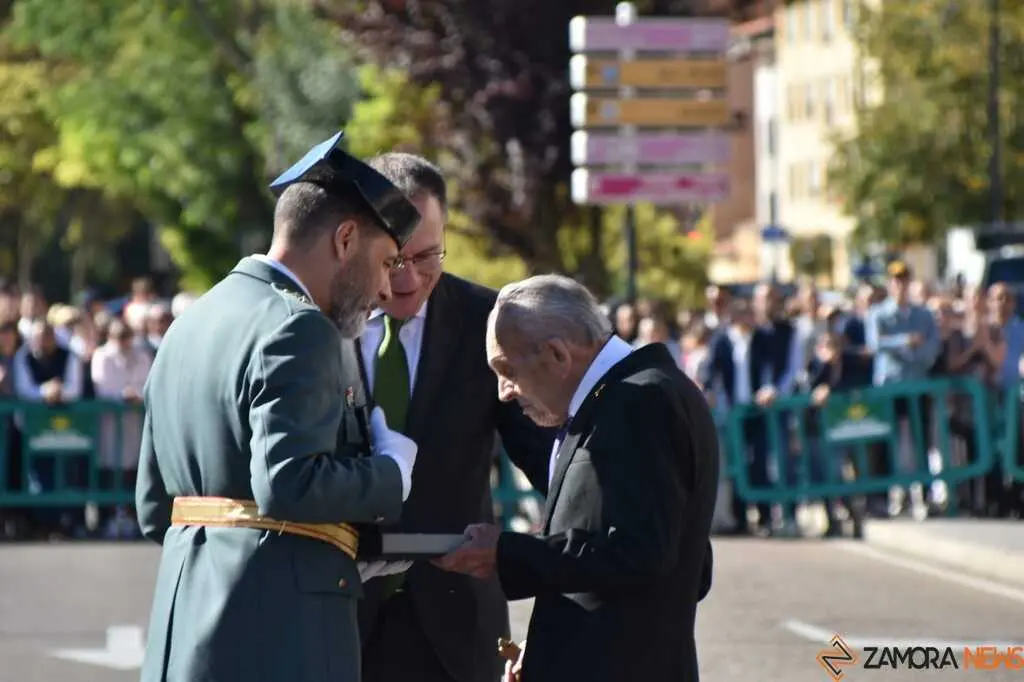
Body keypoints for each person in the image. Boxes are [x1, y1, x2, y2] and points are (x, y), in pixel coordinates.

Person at [135, 131, 423, 682]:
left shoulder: (188, 325)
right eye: (387, 262)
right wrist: (392, 473)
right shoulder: (299, 328)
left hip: (186, 628)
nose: (388, 290)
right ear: (345, 239)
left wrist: (329, 545)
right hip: (280, 639)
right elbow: (289, 484)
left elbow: (154, 507)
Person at [435, 274, 718, 682]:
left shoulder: (636, 401)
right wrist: (554, 648)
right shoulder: (624, 397)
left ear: (557, 354)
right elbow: (663, 560)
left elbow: (641, 555)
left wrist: (506, 552)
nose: (503, 392)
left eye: (507, 369)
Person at [354, 153, 554, 682]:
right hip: (339, 616)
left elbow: (551, 461)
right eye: (394, 258)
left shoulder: (488, 323)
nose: (409, 277)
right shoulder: (317, 323)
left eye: (428, 255)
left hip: (457, 624)